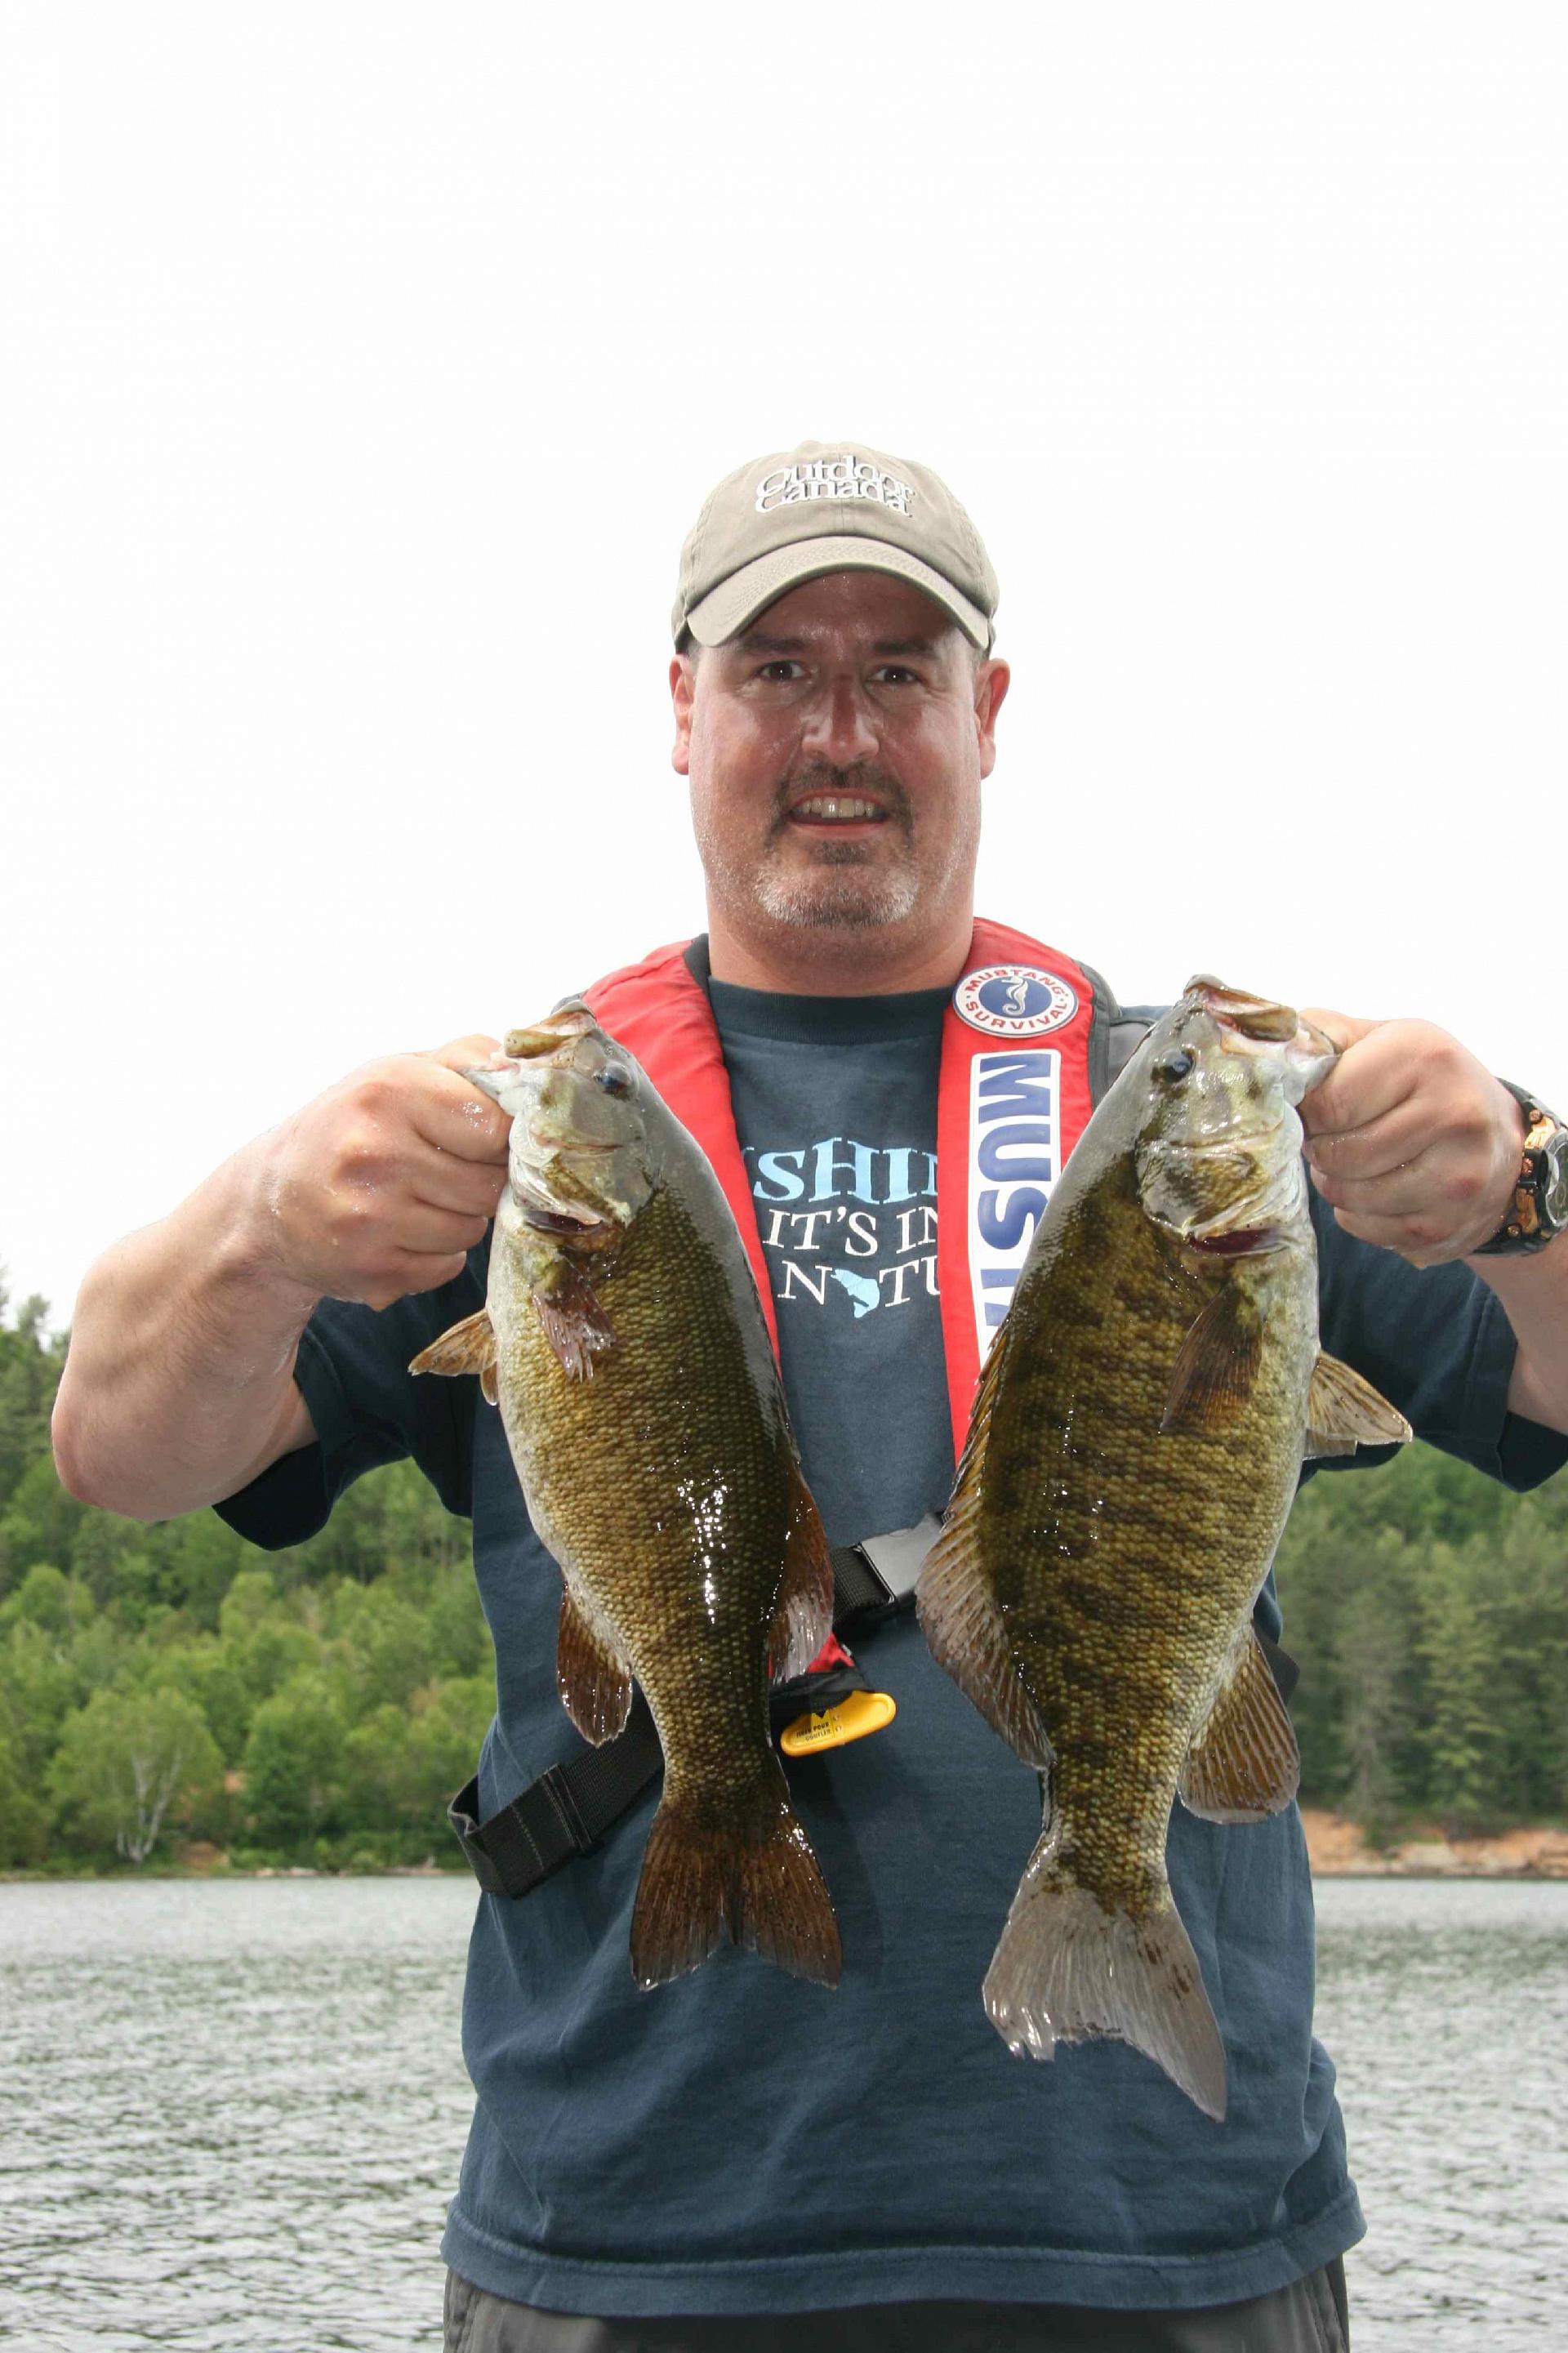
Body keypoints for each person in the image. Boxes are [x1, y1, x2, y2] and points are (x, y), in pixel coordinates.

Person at [54, 441, 1568, 2353]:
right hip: (622, 2241)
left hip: (1173, 2238)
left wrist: (1524, 1176)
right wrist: (265, 1223)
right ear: (680, 711)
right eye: (776, 669)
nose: (838, 728)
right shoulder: (514, 1141)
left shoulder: (1188, 1137)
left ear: (988, 714)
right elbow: (115, 1450)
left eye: (899, 671)